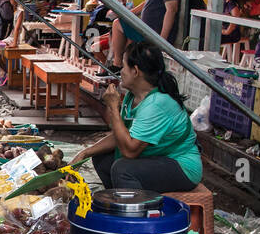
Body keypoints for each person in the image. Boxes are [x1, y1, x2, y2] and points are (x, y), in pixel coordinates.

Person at [69, 40, 202, 192]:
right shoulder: (133, 97)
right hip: (157, 158)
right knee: (101, 157)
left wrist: (113, 107)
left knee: (123, 169)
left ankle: (135, 211)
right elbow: (120, 136)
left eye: (124, 66)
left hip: (181, 166)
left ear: (136, 71)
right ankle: (117, 199)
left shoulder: (156, 104)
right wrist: (84, 153)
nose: (121, 71)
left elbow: (130, 151)